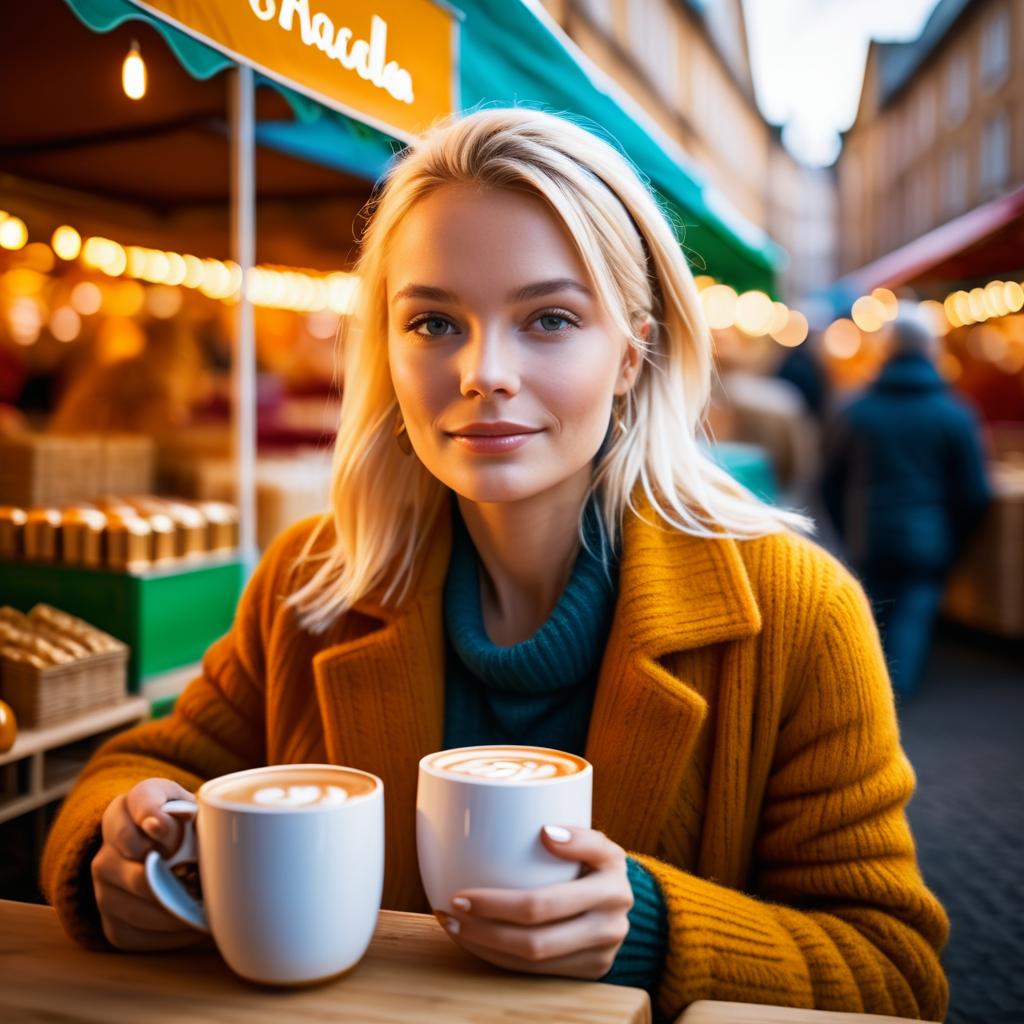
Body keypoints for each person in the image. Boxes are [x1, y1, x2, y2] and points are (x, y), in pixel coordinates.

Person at [41, 109, 948, 1021]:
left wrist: (660, 929)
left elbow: (894, 969)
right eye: (433, 322)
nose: (484, 373)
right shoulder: (312, 582)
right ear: (387, 352)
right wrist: (114, 853)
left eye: (549, 318)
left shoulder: (797, 611)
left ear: (631, 354)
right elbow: (136, 773)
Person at [823, 305, 992, 698]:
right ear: (931, 350)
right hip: (928, 540)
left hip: (869, 536)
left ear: (887, 349)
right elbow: (974, 492)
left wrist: (849, 530)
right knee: (908, 630)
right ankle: (886, 707)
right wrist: (954, 538)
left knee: (876, 625)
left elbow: (829, 480)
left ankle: (869, 700)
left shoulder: (857, 411)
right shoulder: (954, 414)